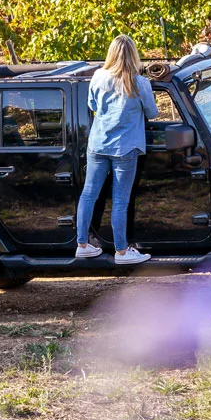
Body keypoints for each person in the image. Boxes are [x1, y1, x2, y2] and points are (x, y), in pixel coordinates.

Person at [74, 34, 157, 265]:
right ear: (134, 55)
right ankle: (121, 251)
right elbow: (152, 113)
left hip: (98, 144)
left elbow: (92, 105)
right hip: (125, 148)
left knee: (88, 194)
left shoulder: (98, 76)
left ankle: (82, 244)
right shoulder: (139, 83)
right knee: (120, 200)